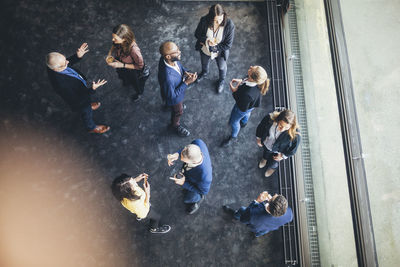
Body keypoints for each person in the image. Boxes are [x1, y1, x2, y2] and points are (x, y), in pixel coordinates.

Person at [46, 43, 110, 134]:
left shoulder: (54, 65)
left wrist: (77, 56)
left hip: (81, 92)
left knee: (87, 106)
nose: (67, 62)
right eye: (65, 63)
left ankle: (89, 106)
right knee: (87, 114)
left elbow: (66, 62)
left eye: (65, 59)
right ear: (56, 69)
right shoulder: (61, 85)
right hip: (80, 102)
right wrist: (92, 89)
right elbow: (78, 97)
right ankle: (91, 127)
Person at [221, 66, 270, 147]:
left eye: (252, 69)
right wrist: (241, 81)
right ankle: (244, 122)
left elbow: (241, 105)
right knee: (248, 112)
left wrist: (234, 91)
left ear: (252, 77)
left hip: (241, 108)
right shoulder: (255, 82)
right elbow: (246, 81)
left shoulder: (247, 94)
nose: (250, 67)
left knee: (234, 122)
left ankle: (233, 136)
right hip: (251, 104)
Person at [158, 41, 197, 137]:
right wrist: (186, 82)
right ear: (168, 56)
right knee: (178, 112)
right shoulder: (168, 78)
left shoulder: (168, 60)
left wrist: (185, 72)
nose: (179, 51)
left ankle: (168, 106)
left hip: (168, 90)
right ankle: (175, 125)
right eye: (176, 51)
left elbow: (179, 67)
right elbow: (172, 96)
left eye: (178, 48)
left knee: (168, 101)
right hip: (175, 99)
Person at [194, 4, 235, 93]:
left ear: (224, 15)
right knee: (204, 63)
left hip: (220, 52)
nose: (219, 22)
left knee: (222, 66)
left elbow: (228, 45)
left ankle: (221, 80)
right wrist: (207, 40)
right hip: (205, 49)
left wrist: (216, 47)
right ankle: (204, 73)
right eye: (215, 20)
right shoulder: (204, 20)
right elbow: (197, 34)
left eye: (220, 19)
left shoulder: (229, 25)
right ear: (210, 18)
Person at [167, 139, 212, 214]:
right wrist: (177, 154)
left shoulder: (205, 177)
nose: (181, 161)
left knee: (188, 198)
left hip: (196, 186)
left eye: (184, 161)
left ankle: (196, 201)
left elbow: (203, 191)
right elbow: (185, 151)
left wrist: (184, 183)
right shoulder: (198, 142)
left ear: (193, 162)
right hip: (190, 175)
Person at [106, 24, 148, 102]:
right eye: (113, 37)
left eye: (115, 38)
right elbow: (113, 46)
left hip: (133, 71)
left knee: (136, 85)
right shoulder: (117, 42)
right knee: (123, 77)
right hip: (122, 66)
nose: (112, 40)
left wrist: (121, 65)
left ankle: (139, 93)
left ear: (124, 39)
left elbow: (140, 66)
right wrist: (109, 54)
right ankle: (126, 81)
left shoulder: (134, 50)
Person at [223, 191, 293, 237]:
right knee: (262, 232)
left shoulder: (253, 214)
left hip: (256, 224)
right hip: (268, 227)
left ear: (268, 205)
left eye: (273, 197)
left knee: (242, 210)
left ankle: (235, 216)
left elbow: (243, 219)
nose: (275, 194)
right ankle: (256, 235)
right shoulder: (289, 214)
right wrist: (271, 202)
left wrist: (257, 201)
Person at [255, 109, 301, 177]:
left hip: (279, 151)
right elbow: (261, 127)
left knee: (274, 162)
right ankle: (264, 159)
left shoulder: (295, 134)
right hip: (267, 144)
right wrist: (259, 138)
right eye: (280, 125)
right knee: (266, 152)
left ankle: (272, 168)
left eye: (286, 127)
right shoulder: (269, 118)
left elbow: (293, 150)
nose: (282, 129)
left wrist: (282, 156)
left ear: (291, 126)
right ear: (278, 119)